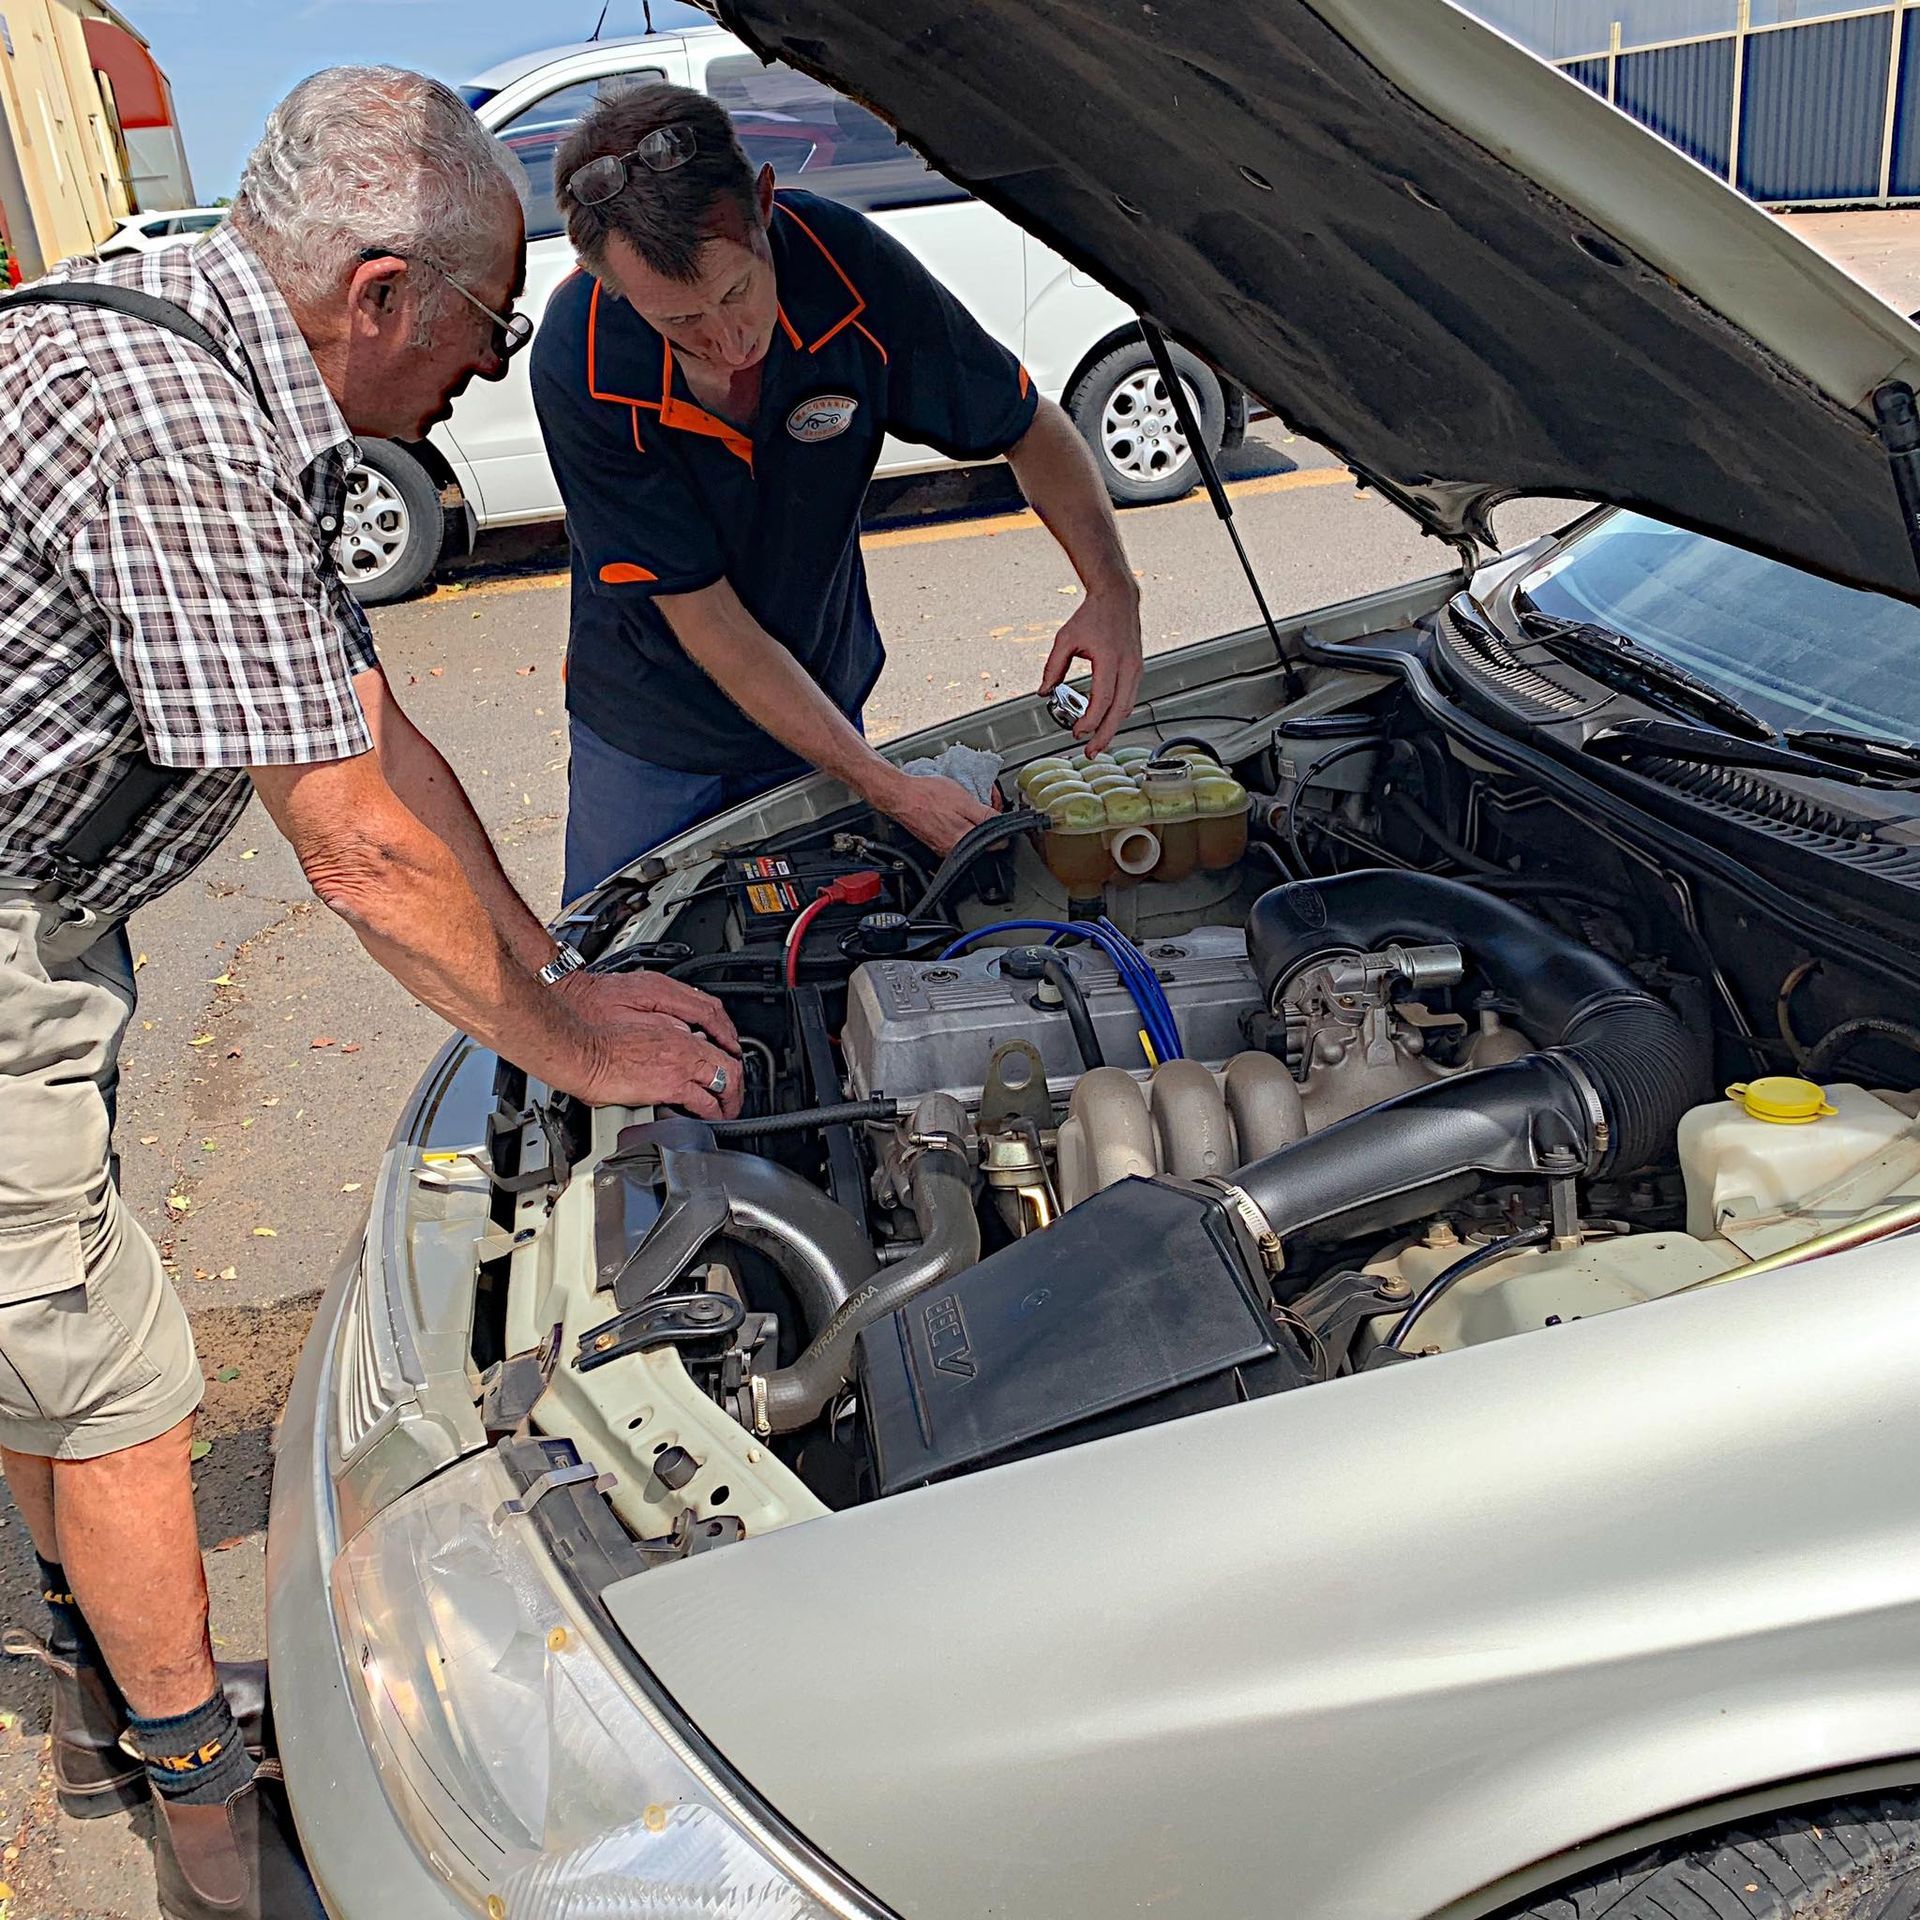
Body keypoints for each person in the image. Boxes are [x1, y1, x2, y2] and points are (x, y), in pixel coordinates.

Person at [0, 67, 741, 1920]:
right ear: (384, 290)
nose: (482, 384)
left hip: (41, 919)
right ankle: (203, 1822)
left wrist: (564, 976)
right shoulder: (173, 420)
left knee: (43, 1325)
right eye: (487, 341)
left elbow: (373, 732)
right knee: (114, 1377)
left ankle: (115, 1675)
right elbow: (346, 845)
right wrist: (570, 1049)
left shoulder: (197, 343)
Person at [532, 83, 1147, 900]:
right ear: (601, 279)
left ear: (765, 206)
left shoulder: (847, 268)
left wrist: (1111, 589)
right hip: (645, 731)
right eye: (678, 322)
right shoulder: (581, 361)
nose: (727, 340)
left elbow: (1026, 423)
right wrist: (883, 784)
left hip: (816, 692)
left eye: (735, 292)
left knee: (824, 941)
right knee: (622, 961)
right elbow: (706, 616)